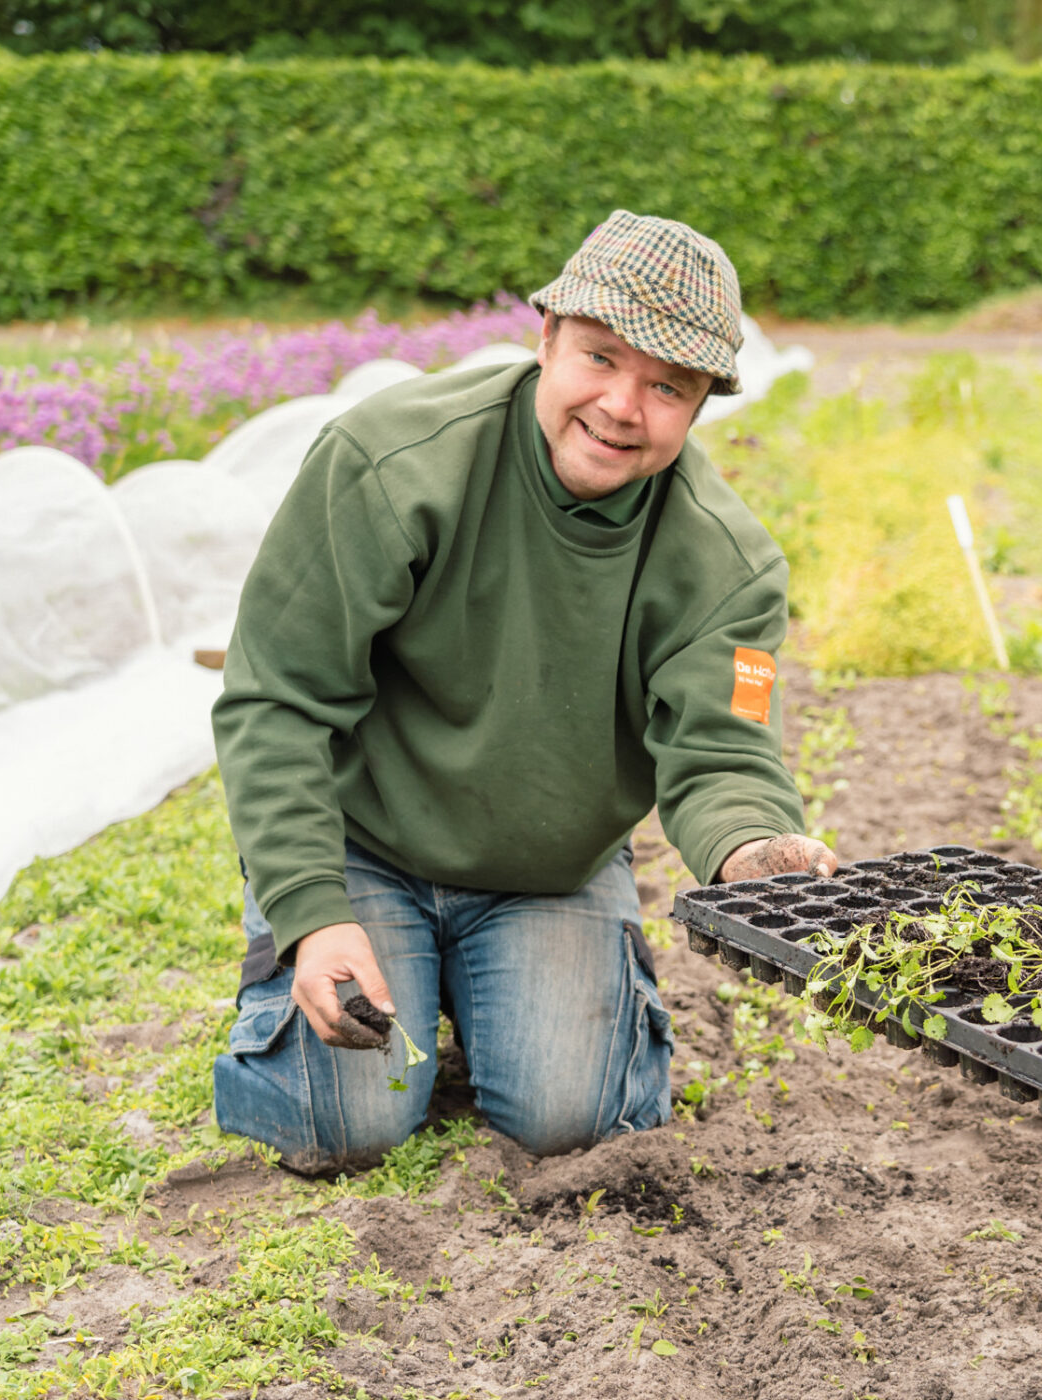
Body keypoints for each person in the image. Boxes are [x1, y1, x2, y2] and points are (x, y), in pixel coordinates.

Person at [211, 211, 834, 1173]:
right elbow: (279, 698)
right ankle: (329, 960)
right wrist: (312, 909)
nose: (624, 406)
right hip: (365, 843)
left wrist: (758, 850)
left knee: (574, 1121)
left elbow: (729, 743)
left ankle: (486, 978)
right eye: (599, 359)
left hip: (549, 869)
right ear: (545, 339)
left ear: (702, 404)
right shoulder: (393, 461)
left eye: (667, 386)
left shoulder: (727, 563)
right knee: (343, 1124)